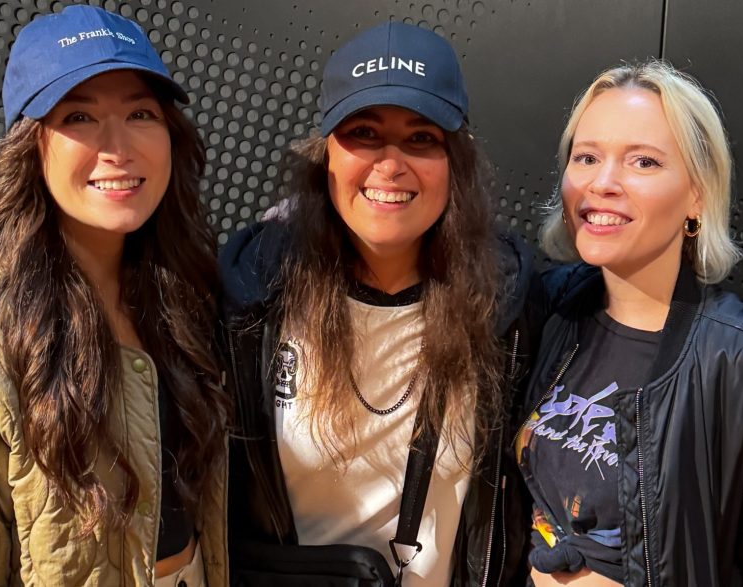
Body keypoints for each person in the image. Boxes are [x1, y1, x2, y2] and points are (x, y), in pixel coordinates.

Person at [0, 6, 229, 586]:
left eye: (140, 113)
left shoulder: (189, 290)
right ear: (29, 146)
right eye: (79, 117)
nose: (117, 147)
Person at [220, 22, 542, 586]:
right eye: (364, 133)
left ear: (455, 162)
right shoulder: (255, 294)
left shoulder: (506, 305)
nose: (391, 165)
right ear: (325, 155)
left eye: (421, 139)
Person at [516, 60, 743, 586]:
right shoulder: (545, 311)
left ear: (697, 194)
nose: (602, 182)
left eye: (643, 161)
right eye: (587, 157)